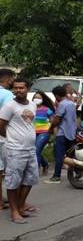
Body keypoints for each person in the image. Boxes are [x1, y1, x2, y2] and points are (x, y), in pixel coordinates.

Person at [0, 78, 39, 223]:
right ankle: (14, 211)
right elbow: (1, 125)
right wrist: (10, 137)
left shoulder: (33, 105)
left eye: (21, 88)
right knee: (13, 181)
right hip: (14, 149)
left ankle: (21, 206)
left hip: (30, 149)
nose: (18, 91)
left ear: (28, 89)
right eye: (15, 88)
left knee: (30, 179)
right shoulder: (9, 106)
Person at [45, 86, 77, 184]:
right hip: (71, 133)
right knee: (72, 156)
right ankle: (79, 172)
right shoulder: (71, 103)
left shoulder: (62, 104)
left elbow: (57, 119)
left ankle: (56, 176)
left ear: (57, 95)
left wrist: (51, 128)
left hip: (62, 133)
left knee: (59, 155)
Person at [0, 68, 15, 210]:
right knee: (6, 168)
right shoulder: (7, 95)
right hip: (2, 135)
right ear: (9, 80)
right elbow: (8, 116)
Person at [33, 91, 55, 175]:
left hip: (44, 132)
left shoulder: (47, 109)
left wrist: (52, 130)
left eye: (39, 98)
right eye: (35, 98)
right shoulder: (30, 108)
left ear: (43, 99)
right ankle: (45, 164)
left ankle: (35, 171)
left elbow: (53, 122)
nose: (36, 99)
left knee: (36, 150)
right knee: (33, 151)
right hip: (32, 132)